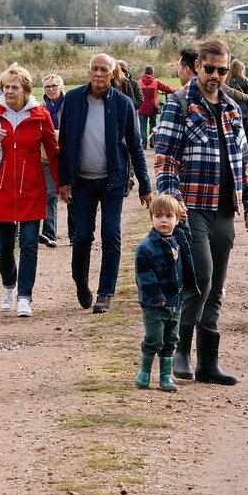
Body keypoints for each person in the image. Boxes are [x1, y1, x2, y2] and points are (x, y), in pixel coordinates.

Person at [153, 37, 248, 386]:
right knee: (200, 279)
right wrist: (171, 200)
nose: (215, 75)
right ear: (197, 67)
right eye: (209, 69)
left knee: (216, 289)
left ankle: (208, 362)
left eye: (222, 70)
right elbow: (165, 157)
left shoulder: (230, 107)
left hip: (224, 210)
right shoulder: (179, 104)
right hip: (191, 208)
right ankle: (179, 350)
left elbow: (243, 162)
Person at [59, 52, 151, 314]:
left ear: (113, 74)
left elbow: (135, 145)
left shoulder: (122, 104)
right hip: (82, 182)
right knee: (82, 236)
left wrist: (145, 185)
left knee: (111, 235)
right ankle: (81, 281)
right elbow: (64, 141)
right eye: (94, 69)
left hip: (112, 182)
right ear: (89, 72)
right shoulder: (74, 99)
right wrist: (64, 180)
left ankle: (105, 294)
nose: (98, 74)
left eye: (104, 70)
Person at [0, 63, 58, 318]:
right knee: (4, 247)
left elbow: (53, 152)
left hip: (31, 188)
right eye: (6, 87)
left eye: (14, 87)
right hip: (0, 190)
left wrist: (62, 182)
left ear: (26, 90)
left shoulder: (41, 115)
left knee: (30, 245)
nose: (9, 91)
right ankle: (9, 285)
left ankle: (25, 297)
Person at [133, 194, 197, 393]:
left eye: (169, 216)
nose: (164, 220)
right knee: (155, 338)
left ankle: (165, 376)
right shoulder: (146, 247)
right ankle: (144, 372)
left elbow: (187, 236)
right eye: (159, 216)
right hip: (154, 304)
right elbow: (144, 276)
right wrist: (156, 297)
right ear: (151, 218)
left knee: (171, 340)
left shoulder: (178, 240)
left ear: (177, 220)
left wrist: (184, 222)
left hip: (175, 301)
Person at [40, 74, 65, 247]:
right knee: (49, 194)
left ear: (61, 87)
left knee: (72, 196)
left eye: (54, 86)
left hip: (68, 156)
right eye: (47, 87)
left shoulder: (69, 105)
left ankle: (76, 234)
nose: (51, 89)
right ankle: (49, 233)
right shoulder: (40, 108)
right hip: (46, 157)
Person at [136, 65, 176, 149]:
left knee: (143, 127)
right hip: (153, 107)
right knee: (153, 125)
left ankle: (143, 144)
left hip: (141, 107)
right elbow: (167, 89)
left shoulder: (139, 82)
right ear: (152, 72)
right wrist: (177, 90)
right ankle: (153, 143)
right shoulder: (156, 82)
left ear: (145, 72)